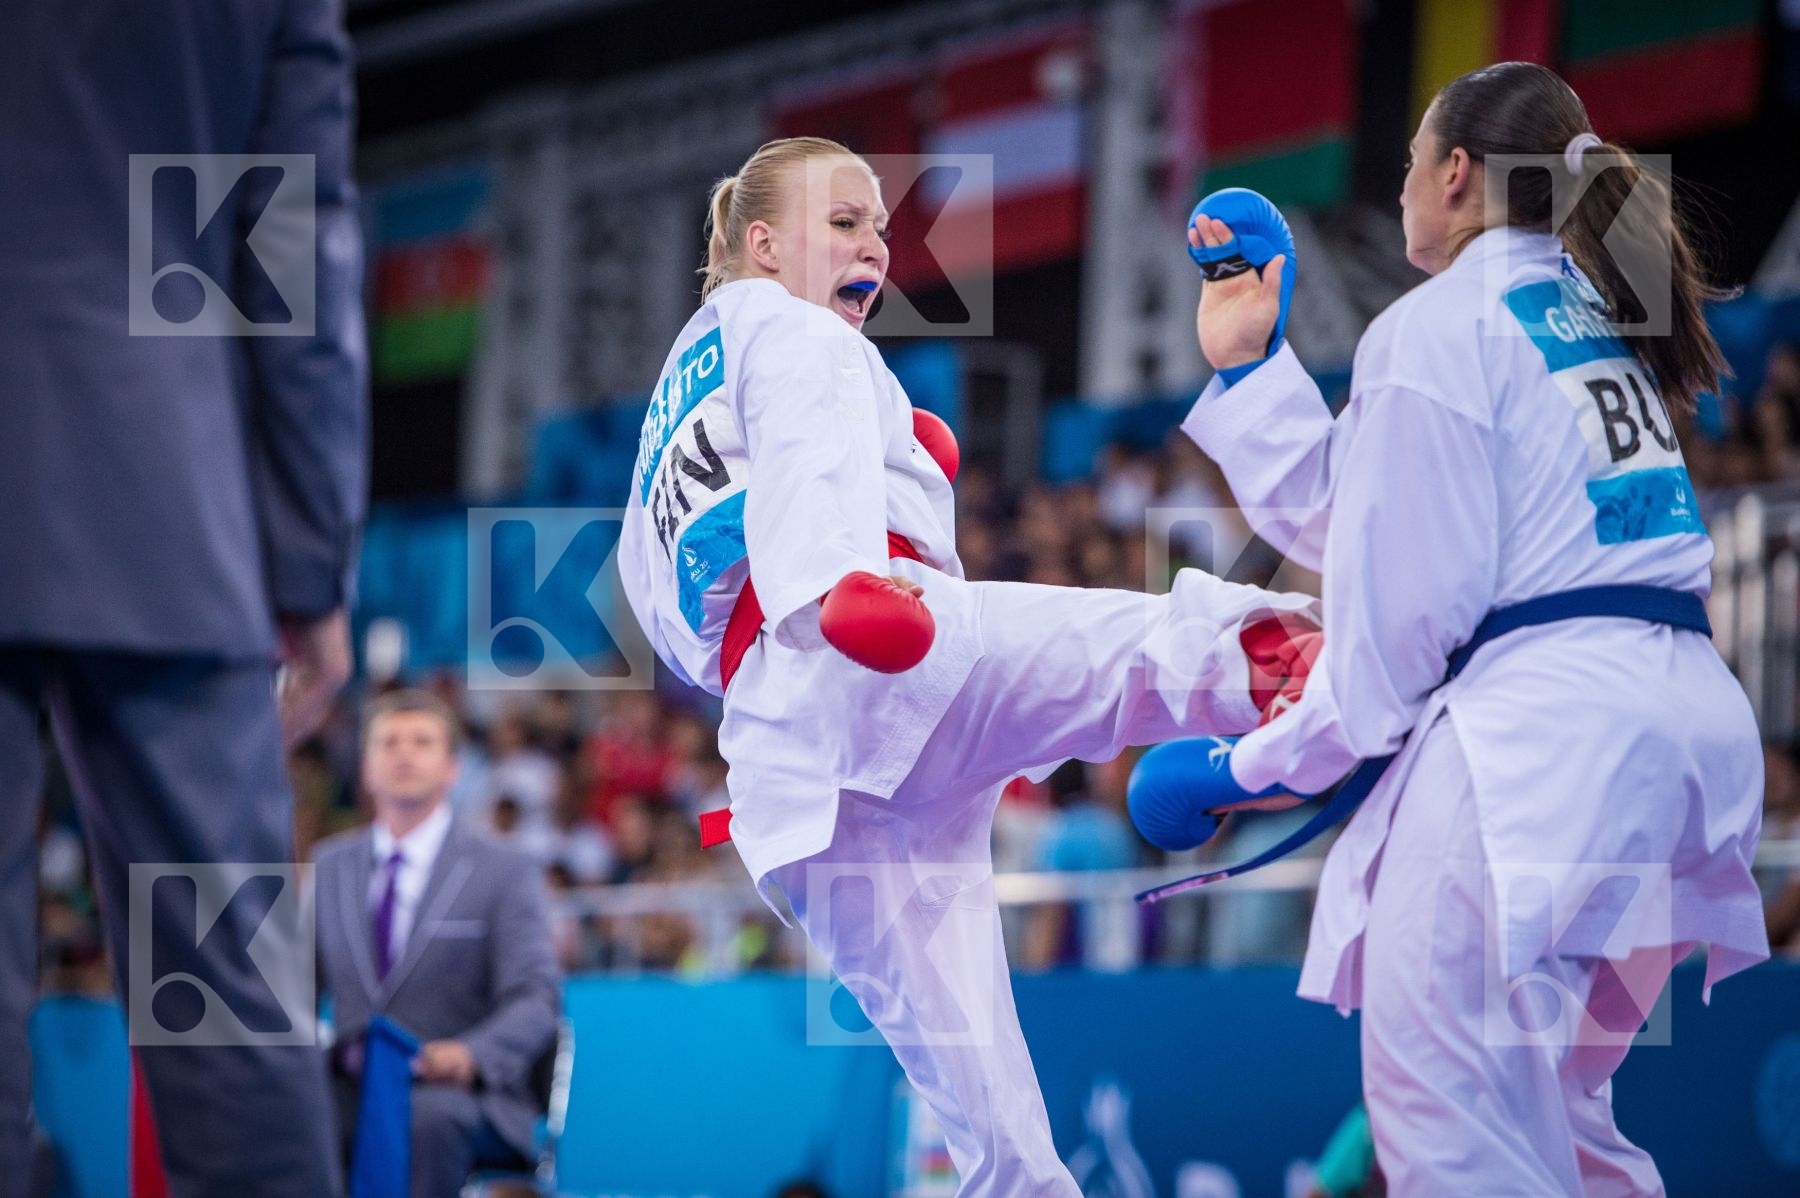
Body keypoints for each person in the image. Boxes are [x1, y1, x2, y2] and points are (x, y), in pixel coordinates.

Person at [617, 135, 1319, 1195]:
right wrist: (842, 580)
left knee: (995, 1131)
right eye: (845, 222)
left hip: (792, 767)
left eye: (882, 229)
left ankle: (1275, 670)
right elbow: (809, 446)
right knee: (1121, 656)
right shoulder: (790, 329)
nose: (875, 247)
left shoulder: (677, 398)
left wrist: (905, 464)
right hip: (876, 648)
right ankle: (1287, 660)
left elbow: (658, 598)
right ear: (762, 244)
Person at [1177, 62, 1766, 1195]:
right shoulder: (1594, 312)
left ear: (1454, 175)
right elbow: (1372, 511)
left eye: (1407, 164)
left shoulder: (1435, 327)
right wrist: (1251, 367)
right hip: (1665, 739)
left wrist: (1247, 763)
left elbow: (1393, 640)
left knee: (1446, 1118)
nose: (1400, 187)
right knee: (1563, 1121)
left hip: (1540, 747)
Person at [0, 0, 365, 1191]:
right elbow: (293, 241)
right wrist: (309, 558)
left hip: (155, 497)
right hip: (157, 491)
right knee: (229, 1009)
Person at [313, 690, 560, 1198]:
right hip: (351, 1083)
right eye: (388, 743)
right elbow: (291, 989)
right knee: (288, 1112)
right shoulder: (329, 865)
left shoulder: (504, 869)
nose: (403, 753)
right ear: (366, 769)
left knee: (426, 1118)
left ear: (452, 769)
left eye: (421, 742)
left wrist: (470, 1054)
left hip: (460, 1090)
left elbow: (536, 998)